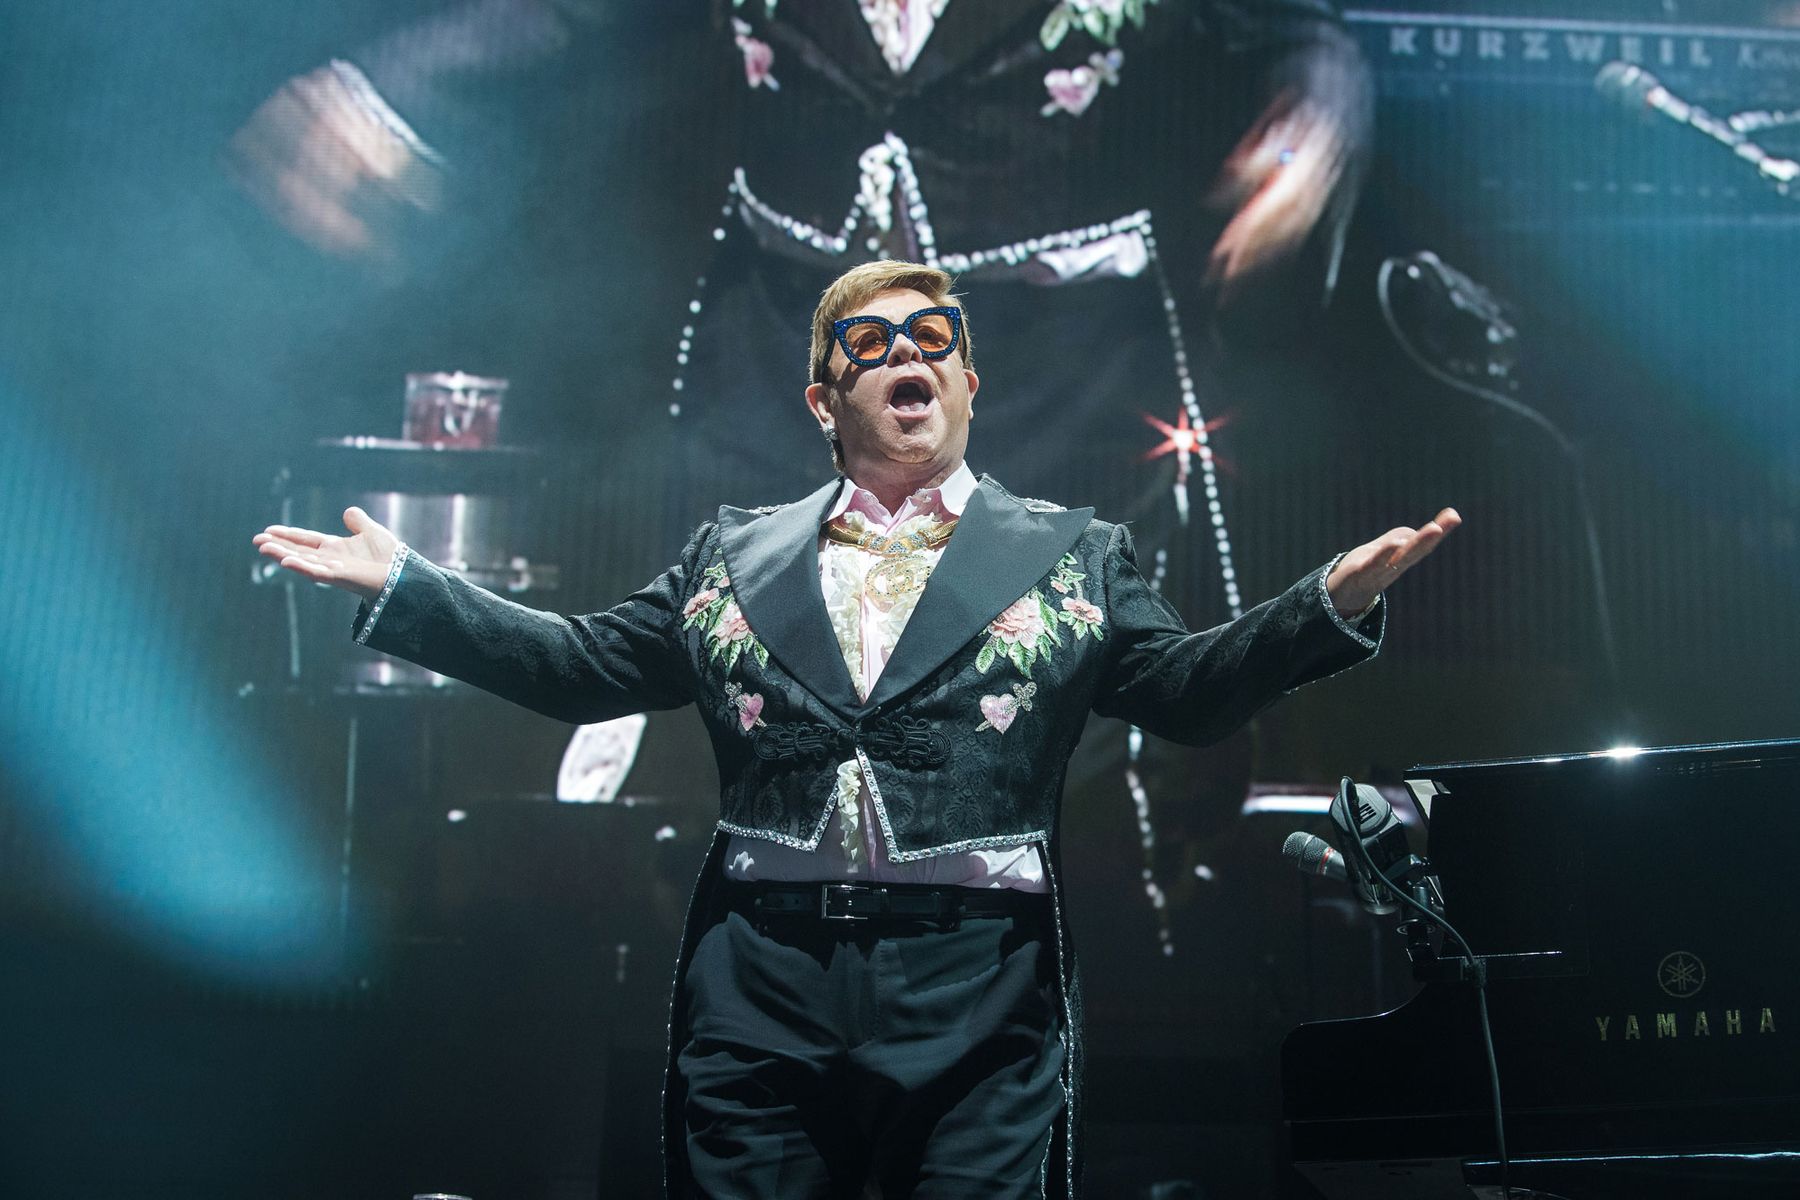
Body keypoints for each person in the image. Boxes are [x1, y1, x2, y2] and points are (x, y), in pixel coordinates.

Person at [254, 259, 1457, 1198]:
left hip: (978, 976)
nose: (906, 358)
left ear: (970, 385)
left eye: (933, 340)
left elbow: (1190, 695)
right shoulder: (730, 554)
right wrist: (410, 589)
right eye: (869, 346)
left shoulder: (1070, 554)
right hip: (759, 971)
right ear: (825, 398)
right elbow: (578, 668)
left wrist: (1324, 607)